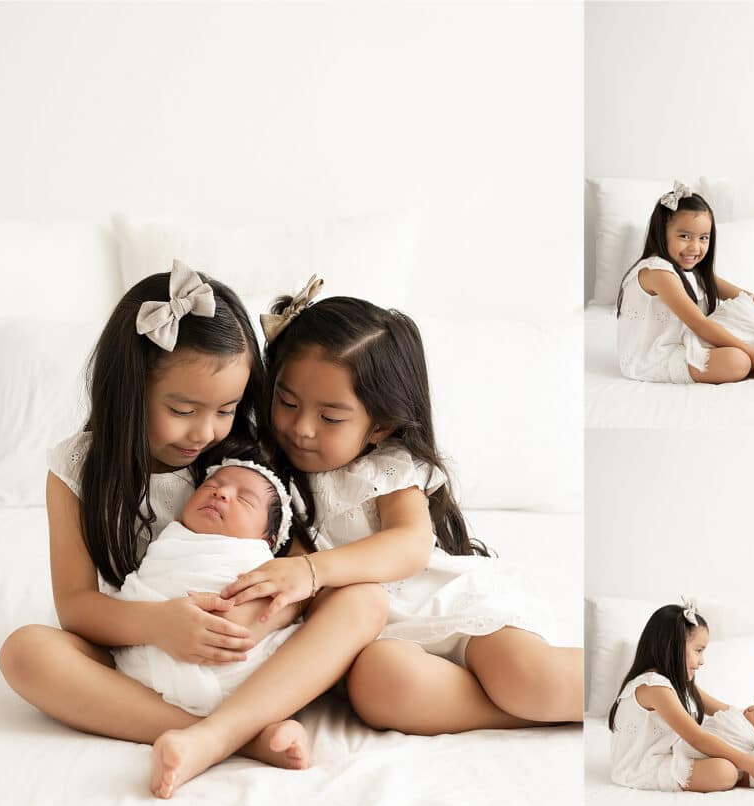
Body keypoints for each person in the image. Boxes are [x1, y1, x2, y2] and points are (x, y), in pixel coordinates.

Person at [0, 261, 388, 798]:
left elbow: (294, 573)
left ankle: (218, 731)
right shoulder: (76, 469)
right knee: (25, 653)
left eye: (226, 409)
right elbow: (77, 608)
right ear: (129, 390)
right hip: (141, 650)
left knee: (363, 602)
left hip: (245, 653)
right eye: (182, 409)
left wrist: (248, 624)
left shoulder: (243, 459)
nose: (204, 432)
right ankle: (235, 737)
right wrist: (160, 625)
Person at [220, 280, 583, 736]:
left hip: (443, 603)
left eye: (330, 417)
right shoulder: (263, 480)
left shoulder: (386, 468)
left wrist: (313, 570)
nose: (302, 428)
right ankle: (506, 713)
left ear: (380, 426)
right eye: (287, 402)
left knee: (530, 680)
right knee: (381, 687)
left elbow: (409, 545)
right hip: (373, 636)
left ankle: (625, 691)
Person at [112, 460, 301, 727]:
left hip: (239, 672)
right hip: (149, 659)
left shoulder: (260, 560)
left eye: (245, 500)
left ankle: (257, 723)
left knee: (292, 647)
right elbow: (140, 592)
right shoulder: (169, 541)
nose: (221, 493)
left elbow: (277, 606)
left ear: (268, 540)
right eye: (211, 486)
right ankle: (247, 733)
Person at [616, 180, 754, 384]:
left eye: (704, 238)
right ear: (661, 233)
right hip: (654, 357)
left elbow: (747, 298)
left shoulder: (694, 273)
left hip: (684, 345)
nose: (695, 247)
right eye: (685, 236)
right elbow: (699, 324)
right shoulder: (657, 272)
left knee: (749, 344)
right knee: (739, 361)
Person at [607, 602, 754, 792]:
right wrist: (751, 764)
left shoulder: (680, 683)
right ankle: (746, 776)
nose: (702, 661)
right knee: (725, 771)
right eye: (698, 650)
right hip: (640, 768)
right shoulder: (654, 687)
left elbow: (725, 710)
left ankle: (745, 771)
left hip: (666, 755)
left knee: (725, 759)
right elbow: (697, 737)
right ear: (672, 647)